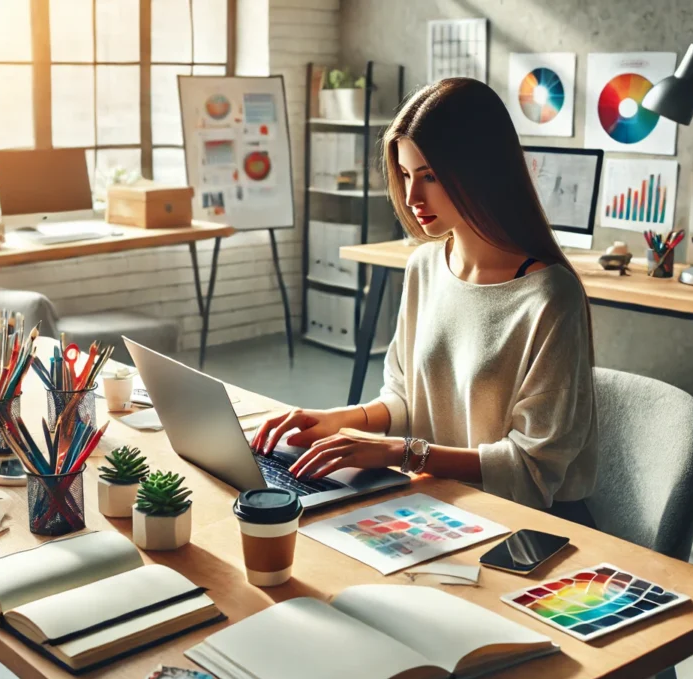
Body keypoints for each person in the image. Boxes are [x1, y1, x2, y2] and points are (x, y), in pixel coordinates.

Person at [252, 77, 598, 524]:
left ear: (481, 172)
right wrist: (338, 420)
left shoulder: (550, 298)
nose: (413, 197)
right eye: (406, 174)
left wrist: (400, 452)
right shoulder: (424, 267)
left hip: (528, 526)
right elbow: (406, 399)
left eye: (430, 176)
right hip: (439, 505)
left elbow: (533, 470)